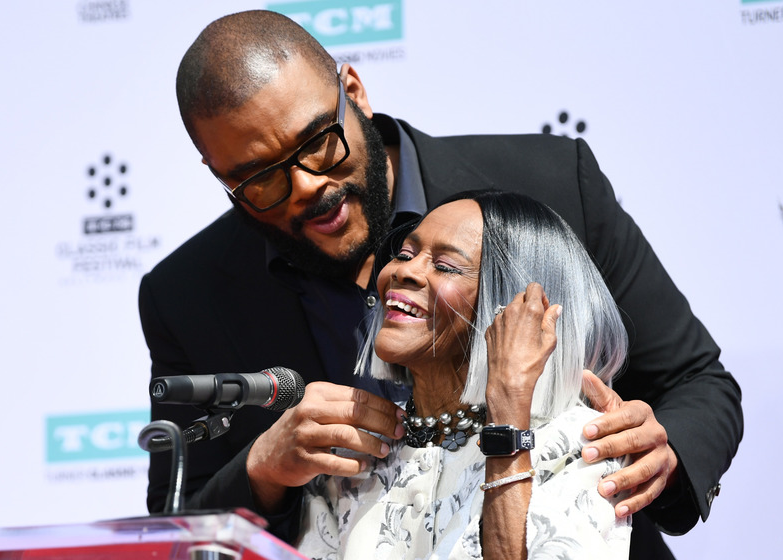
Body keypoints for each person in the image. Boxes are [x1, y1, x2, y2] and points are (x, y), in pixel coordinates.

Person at [138, 9, 742, 558]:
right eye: (259, 180)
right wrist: (263, 471)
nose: (304, 187)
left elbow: (697, 382)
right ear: (218, 173)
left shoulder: (553, 185)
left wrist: (664, 455)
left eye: (320, 143)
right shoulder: (186, 294)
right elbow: (177, 525)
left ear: (354, 93)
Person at [297, 190, 631, 559]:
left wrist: (507, 415)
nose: (402, 271)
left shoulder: (579, 446)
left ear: (511, 307)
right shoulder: (353, 453)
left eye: (445, 266)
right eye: (405, 254)